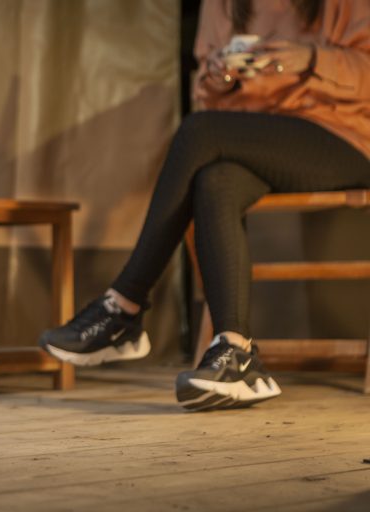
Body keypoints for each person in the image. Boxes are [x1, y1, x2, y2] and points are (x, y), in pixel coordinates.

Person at [39, 0, 370, 411]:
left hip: (341, 136)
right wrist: (218, 75)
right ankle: (236, 351)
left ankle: (123, 305)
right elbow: (206, 93)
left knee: (198, 131)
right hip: (249, 138)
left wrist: (312, 59)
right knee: (216, 181)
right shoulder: (224, 4)